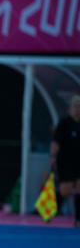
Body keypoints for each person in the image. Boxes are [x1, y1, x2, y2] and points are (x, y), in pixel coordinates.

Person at [51, 94, 80, 227]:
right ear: (71, 108)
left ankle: (78, 219)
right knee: (65, 190)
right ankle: (49, 210)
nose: (77, 109)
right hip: (65, 161)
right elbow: (56, 142)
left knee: (79, 188)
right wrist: (53, 157)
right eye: (75, 106)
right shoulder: (64, 123)